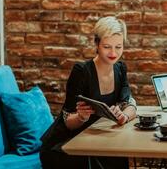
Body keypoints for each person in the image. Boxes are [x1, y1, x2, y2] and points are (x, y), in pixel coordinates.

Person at [40, 16, 137, 169]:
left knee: (118, 156)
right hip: (66, 144)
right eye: (107, 46)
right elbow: (67, 120)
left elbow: (129, 103)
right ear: (97, 44)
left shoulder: (120, 69)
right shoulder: (82, 71)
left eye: (118, 47)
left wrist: (124, 116)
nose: (113, 52)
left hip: (95, 139)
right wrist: (81, 117)